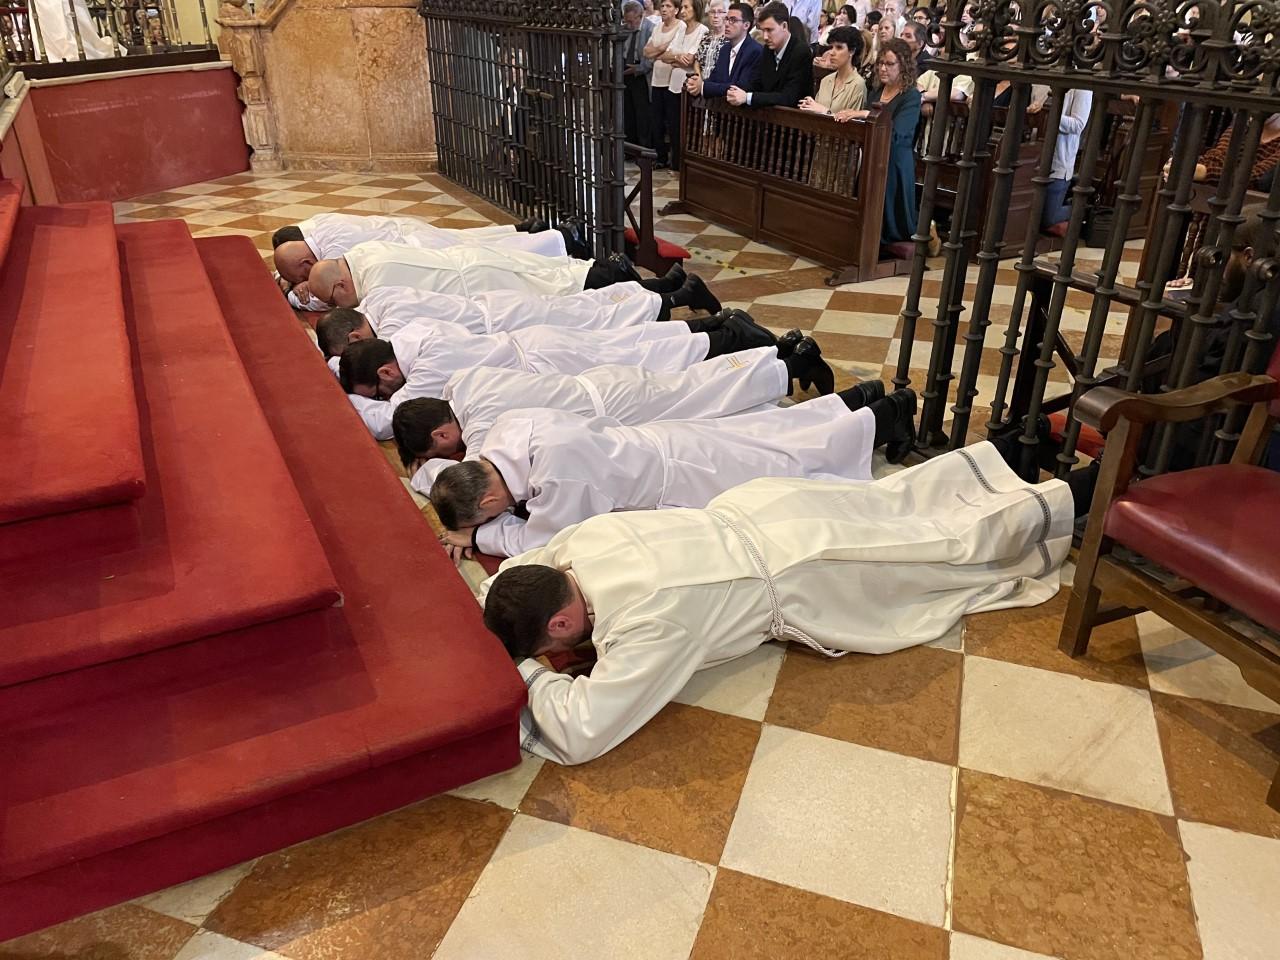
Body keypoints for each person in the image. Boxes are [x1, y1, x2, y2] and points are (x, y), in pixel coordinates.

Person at [480, 441, 1073, 764]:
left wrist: (524, 668)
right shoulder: (579, 546)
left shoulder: (648, 625)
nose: (564, 652)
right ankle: (1022, 464)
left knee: (938, 554)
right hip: (764, 508)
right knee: (897, 503)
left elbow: (583, 732)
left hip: (804, 569)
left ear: (562, 619)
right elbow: (510, 574)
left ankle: (1069, 503)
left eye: (554, 642)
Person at [429, 383, 912, 558]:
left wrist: (480, 540)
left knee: (789, 463)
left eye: (484, 519)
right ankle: (862, 400)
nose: (492, 521)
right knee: (771, 429)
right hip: (660, 440)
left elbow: (544, 541)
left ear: (490, 503)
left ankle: (890, 413)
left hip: (682, 475)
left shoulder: (558, 477)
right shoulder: (506, 432)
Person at [396, 345, 822, 498]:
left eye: (443, 449)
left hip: (617, 406)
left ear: (442, 433)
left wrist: (428, 470)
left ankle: (790, 362)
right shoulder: (464, 384)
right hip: (602, 388)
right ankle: (778, 359)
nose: (455, 453)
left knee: (702, 392)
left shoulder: (485, 427)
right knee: (695, 388)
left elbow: (473, 469)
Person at [336, 308, 795, 438]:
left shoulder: (431, 371)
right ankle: (720, 328)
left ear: (387, 368)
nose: (385, 396)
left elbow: (384, 424)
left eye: (378, 388)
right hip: (538, 347)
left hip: (547, 364)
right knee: (635, 345)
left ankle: (729, 337)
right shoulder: (415, 335)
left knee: (646, 358)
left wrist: (337, 382)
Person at [341, 267, 717, 341]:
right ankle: (668, 287)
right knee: (590, 306)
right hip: (498, 309)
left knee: (596, 315)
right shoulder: (377, 300)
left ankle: (676, 295)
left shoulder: (389, 329)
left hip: (504, 318)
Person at [271, 212, 577, 288]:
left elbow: (336, 288)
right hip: (411, 237)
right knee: (478, 243)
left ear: (307, 262)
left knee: (490, 254)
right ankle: (533, 232)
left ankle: (556, 241)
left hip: (416, 248)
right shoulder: (322, 227)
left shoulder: (336, 249)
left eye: (301, 276)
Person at [305, 243, 644, 308]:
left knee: (552, 290)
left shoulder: (375, 289)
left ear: (340, 284)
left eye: (335, 300)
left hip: (473, 284)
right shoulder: (363, 252)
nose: (340, 307)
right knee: (545, 273)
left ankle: (616, 279)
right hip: (467, 260)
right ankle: (610, 270)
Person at [836, 37, 920, 245]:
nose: (883, 68)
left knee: (893, 222)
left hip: (895, 160)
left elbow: (899, 132)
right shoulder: (876, 91)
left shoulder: (911, 96)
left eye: (890, 64)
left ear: (903, 66)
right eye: (881, 63)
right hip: (872, 154)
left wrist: (865, 114)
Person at [655, 0, 709, 172]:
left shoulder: (702, 30)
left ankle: (685, 165)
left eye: (687, 7)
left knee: (688, 127)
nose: (683, 11)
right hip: (673, 84)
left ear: (696, 9)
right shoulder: (682, 30)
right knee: (673, 126)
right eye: (683, 7)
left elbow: (692, 59)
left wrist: (675, 58)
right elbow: (665, 56)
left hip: (688, 85)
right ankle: (675, 162)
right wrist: (678, 58)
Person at [726, 2, 812, 108]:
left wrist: (748, 97)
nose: (765, 37)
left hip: (795, 119)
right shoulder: (768, 49)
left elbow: (789, 97)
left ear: (784, 26)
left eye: (769, 30)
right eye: (762, 30)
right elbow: (757, 82)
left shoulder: (801, 52)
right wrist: (737, 91)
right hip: (770, 118)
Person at [1041, 88, 1093, 231]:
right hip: (1038, 155)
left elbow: (1078, 125)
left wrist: (1050, 115)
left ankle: (1084, 209)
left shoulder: (1083, 89)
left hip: (1060, 160)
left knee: (1048, 218)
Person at [686, 2, 761, 100]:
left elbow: (740, 87)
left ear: (746, 25)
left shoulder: (754, 51)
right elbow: (715, 78)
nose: (727, 24)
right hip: (722, 110)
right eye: (727, 19)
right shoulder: (725, 49)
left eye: (733, 20)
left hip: (742, 112)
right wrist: (696, 84)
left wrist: (703, 86)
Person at [644, 0, 683, 168]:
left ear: (676, 10)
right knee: (656, 121)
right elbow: (646, 52)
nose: (664, 9)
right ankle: (660, 158)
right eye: (663, 6)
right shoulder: (657, 27)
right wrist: (663, 49)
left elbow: (673, 53)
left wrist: (657, 52)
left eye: (668, 6)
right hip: (656, 80)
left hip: (671, 81)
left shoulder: (680, 26)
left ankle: (675, 160)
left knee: (673, 122)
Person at [622, 1, 657, 148]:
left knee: (642, 114)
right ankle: (630, 146)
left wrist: (639, 68)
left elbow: (652, 56)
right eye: (626, 21)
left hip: (642, 75)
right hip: (626, 72)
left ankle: (643, 148)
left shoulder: (651, 29)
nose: (629, 25)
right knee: (628, 112)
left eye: (631, 21)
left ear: (640, 16)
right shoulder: (626, 29)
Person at [696, 0, 730, 77]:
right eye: (712, 12)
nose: (715, 16)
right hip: (701, 84)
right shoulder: (706, 36)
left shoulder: (730, 38)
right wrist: (699, 79)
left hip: (719, 84)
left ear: (727, 14)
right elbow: (697, 61)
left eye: (720, 12)